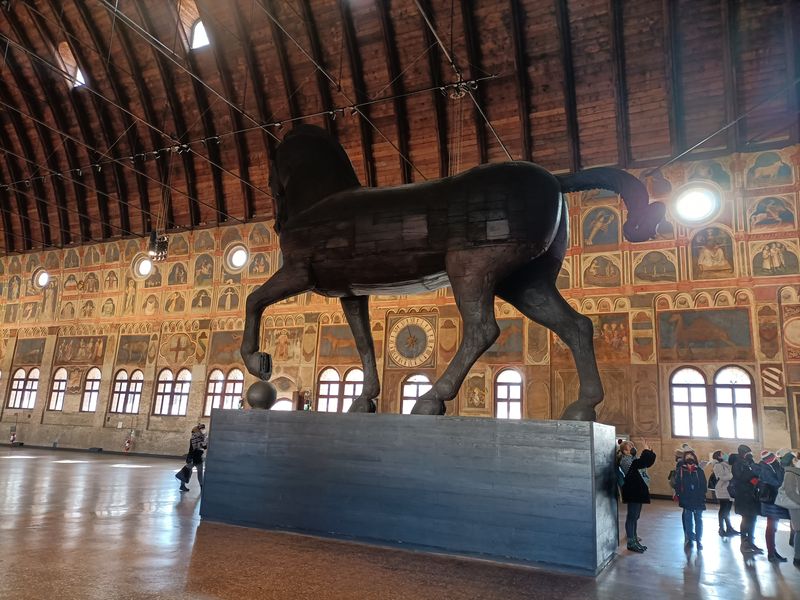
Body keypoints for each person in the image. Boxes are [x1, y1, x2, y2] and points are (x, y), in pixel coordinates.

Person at [618, 440, 656, 553]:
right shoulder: (625, 460)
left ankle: (635, 539)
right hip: (632, 491)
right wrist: (646, 451)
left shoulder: (633, 459)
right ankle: (631, 542)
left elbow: (646, 463)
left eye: (633, 446)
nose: (633, 447)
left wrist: (649, 451)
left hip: (637, 491)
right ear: (624, 450)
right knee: (632, 516)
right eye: (630, 446)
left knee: (635, 516)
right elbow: (640, 463)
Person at [758, 450, 790, 562]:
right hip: (770, 501)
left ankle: (773, 552)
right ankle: (771, 554)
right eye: (773, 457)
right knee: (771, 527)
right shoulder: (765, 469)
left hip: (773, 501)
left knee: (773, 527)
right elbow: (778, 482)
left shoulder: (771, 466)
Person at [731, 444, 762, 555]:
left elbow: (758, 473)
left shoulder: (750, 462)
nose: (749, 455)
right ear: (742, 453)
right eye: (747, 453)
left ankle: (751, 542)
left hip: (752, 495)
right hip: (742, 496)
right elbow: (741, 478)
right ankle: (744, 543)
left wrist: (752, 464)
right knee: (746, 520)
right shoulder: (736, 464)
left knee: (753, 519)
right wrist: (751, 472)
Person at [674, 449, 707, 549]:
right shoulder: (681, 471)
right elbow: (678, 484)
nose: (690, 459)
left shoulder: (699, 471)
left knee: (698, 520)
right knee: (688, 519)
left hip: (698, 498)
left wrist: (702, 496)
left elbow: (703, 485)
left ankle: (698, 540)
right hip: (686, 498)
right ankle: (689, 537)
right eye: (687, 457)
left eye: (691, 457)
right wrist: (680, 494)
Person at [778, 450, 800, 566]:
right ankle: (797, 558)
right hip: (796, 507)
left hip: (797, 504)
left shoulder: (795, 471)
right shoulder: (790, 473)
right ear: (792, 461)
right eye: (795, 458)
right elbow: (790, 492)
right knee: (799, 531)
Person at [712, 450, 738, 537]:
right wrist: (732, 475)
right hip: (722, 490)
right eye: (723, 454)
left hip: (729, 490)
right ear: (719, 457)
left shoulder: (726, 465)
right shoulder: (718, 465)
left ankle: (729, 527)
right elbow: (721, 477)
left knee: (727, 510)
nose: (725, 454)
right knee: (723, 509)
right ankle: (721, 528)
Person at [180, 423, 207, 492]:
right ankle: (182, 485)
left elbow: (204, 447)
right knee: (187, 472)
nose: (203, 430)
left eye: (203, 428)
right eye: (201, 429)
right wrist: (191, 458)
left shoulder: (202, 437)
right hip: (193, 457)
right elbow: (194, 449)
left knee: (199, 473)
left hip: (198, 457)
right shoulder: (194, 438)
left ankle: (202, 487)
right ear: (198, 430)